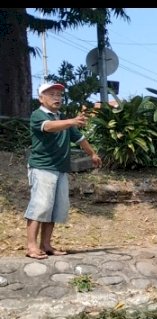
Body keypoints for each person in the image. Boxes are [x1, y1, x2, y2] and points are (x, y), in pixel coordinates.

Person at [25, 82, 102, 260]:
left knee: (54, 208)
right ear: (41, 98)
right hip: (42, 167)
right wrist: (72, 121)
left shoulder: (62, 119)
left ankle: (46, 245)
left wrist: (92, 154)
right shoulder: (38, 115)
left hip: (60, 169)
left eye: (59, 95)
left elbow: (80, 138)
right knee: (40, 206)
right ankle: (31, 247)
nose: (56, 98)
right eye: (51, 94)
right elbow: (49, 127)